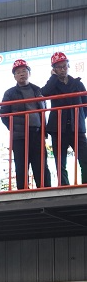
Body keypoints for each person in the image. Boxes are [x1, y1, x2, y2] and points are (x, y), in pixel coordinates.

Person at [0, 59, 52, 190]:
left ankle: (45, 192)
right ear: (14, 76)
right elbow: (4, 114)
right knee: (21, 166)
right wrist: (14, 128)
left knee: (41, 165)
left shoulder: (37, 90)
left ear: (29, 73)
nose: (22, 74)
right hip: (19, 136)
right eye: (18, 72)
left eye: (24, 71)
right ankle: (23, 193)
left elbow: (43, 109)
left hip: (37, 133)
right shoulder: (9, 93)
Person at [41, 51, 87, 186]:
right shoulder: (53, 84)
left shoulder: (77, 83)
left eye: (64, 66)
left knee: (84, 158)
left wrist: (79, 118)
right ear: (54, 69)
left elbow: (85, 105)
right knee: (60, 162)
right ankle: (64, 186)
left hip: (77, 128)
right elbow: (44, 93)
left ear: (68, 66)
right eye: (59, 67)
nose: (62, 69)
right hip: (58, 128)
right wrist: (53, 78)